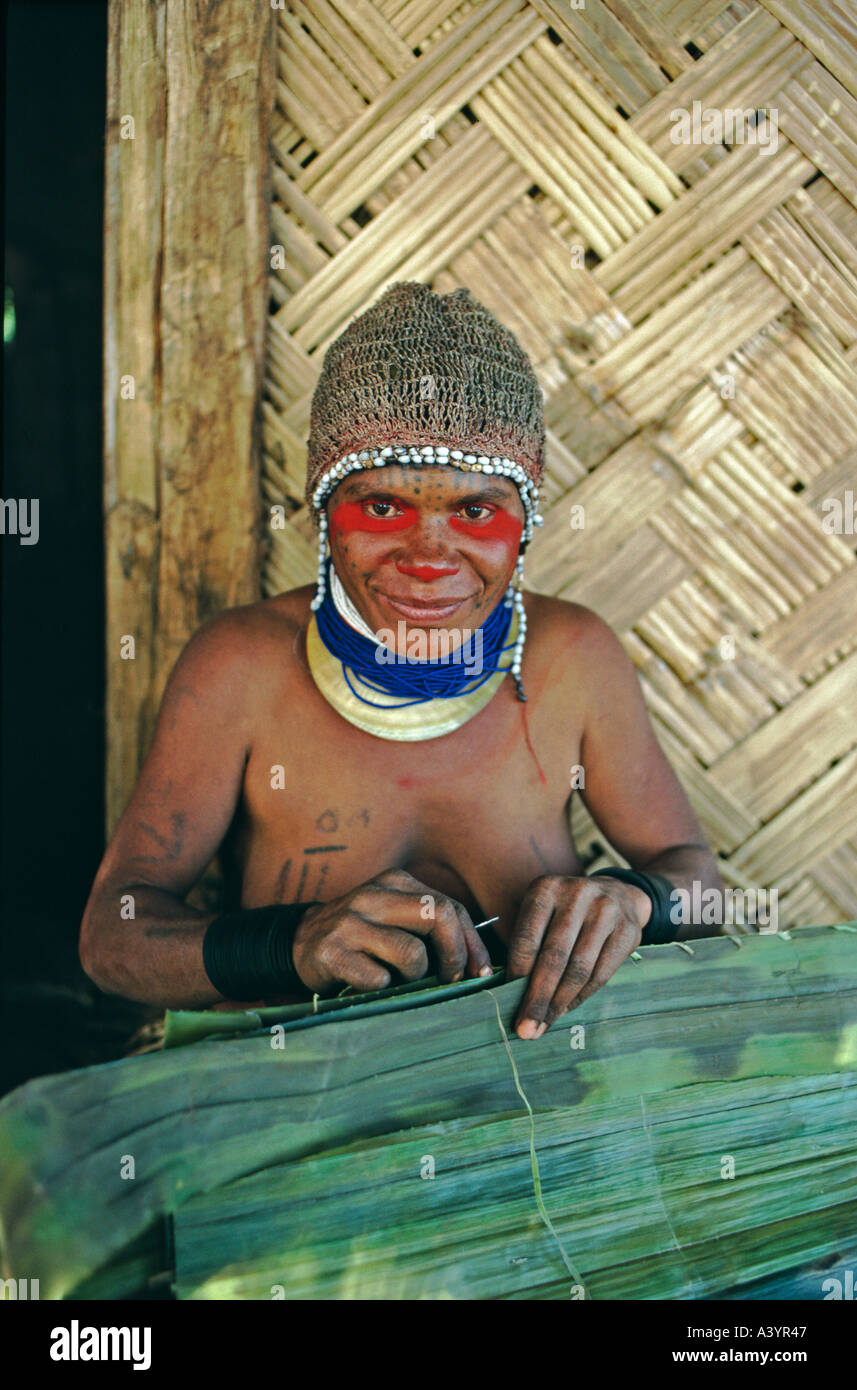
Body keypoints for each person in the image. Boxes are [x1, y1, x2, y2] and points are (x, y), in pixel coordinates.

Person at [80, 282, 723, 1040]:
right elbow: (112, 939)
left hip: (535, 1095)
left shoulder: (573, 659)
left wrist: (633, 900)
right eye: (381, 506)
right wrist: (295, 945)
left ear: (526, 524)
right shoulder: (241, 666)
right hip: (300, 1097)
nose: (428, 558)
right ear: (323, 512)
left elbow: (698, 880)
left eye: (474, 511)